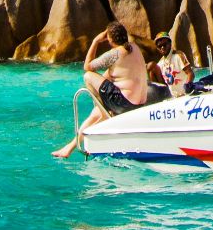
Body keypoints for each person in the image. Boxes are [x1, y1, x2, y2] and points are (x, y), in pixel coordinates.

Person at [52, 23, 148, 159]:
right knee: (95, 114)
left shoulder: (114, 54)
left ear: (110, 39)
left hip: (124, 104)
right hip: (139, 103)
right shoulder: (135, 48)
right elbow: (109, 75)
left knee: (88, 77)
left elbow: (87, 67)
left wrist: (95, 41)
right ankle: (69, 148)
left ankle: (104, 110)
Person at [150, 33, 194, 98]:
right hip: (172, 99)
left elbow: (190, 73)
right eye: (159, 46)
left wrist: (187, 86)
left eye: (164, 44)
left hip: (185, 95)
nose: (162, 47)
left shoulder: (179, 55)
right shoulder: (160, 63)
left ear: (170, 43)